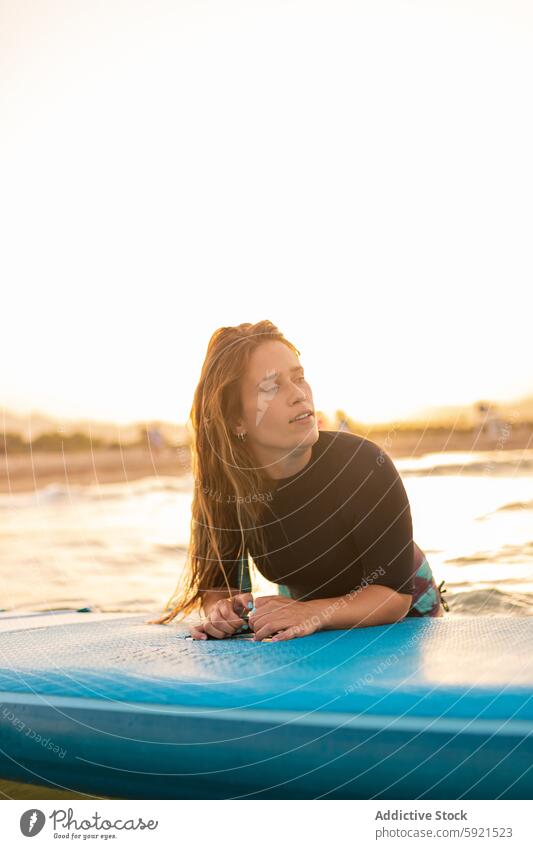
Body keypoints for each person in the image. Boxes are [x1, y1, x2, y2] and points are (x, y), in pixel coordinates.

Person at [149, 320, 448, 640]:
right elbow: (219, 583)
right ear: (237, 419)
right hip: (311, 619)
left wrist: (311, 612)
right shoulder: (228, 488)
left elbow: (393, 595)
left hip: (405, 610)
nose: (298, 394)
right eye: (271, 387)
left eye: (299, 378)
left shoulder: (363, 464)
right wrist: (221, 610)